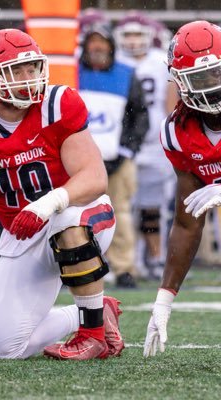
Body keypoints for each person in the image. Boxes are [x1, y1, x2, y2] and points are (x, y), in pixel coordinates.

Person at [0, 28, 124, 360]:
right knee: (4, 346)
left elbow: (94, 177)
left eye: (32, 67)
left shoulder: (57, 104)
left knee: (67, 222)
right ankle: (98, 312)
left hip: (82, 211)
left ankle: (93, 334)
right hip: (24, 233)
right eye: (15, 70)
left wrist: (47, 203)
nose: (28, 77)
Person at [144, 20, 221, 357]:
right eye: (201, 79)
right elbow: (188, 220)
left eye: (217, 73)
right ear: (180, 83)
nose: (212, 86)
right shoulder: (177, 132)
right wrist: (164, 298)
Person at [78, 10, 149, 288]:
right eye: (92, 43)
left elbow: (140, 115)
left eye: (102, 43)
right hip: (79, 161)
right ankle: (81, 264)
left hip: (117, 158)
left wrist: (127, 150)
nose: (97, 48)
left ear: (110, 45)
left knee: (120, 212)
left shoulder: (126, 74)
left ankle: (123, 268)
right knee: (77, 216)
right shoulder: (72, 72)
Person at [114, 12, 179, 280]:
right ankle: (130, 260)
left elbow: (171, 100)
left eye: (137, 35)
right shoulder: (115, 62)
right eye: (127, 35)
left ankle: (155, 257)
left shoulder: (160, 62)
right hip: (125, 142)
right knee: (122, 206)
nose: (132, 41)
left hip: (154, 142)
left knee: (153, 207)